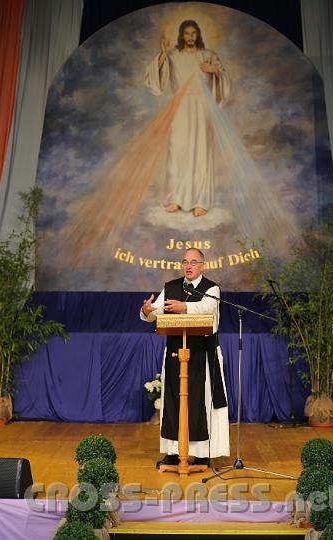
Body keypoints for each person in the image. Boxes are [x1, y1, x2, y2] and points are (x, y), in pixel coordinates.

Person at [140, 248, 230, 467]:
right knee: (173, 400)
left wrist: (184, 307)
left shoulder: (212, 289)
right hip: (175, 354)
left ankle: (201, 454)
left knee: (202, 400)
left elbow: (207, 309)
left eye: (193, 262)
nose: (188, 266)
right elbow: (155, 313)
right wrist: (147, 310)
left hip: (203, 354)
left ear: (202, 265)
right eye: (185, 262)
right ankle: (172, 452)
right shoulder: (171, 287)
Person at [145, 20, 230, 217]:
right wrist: (163, 53)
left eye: (193, 33)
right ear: (181, 36)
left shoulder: (208, 55)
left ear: (198, 34)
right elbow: (154, 78)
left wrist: (215, 71)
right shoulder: (173, 55)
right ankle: (175, 198)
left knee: (200, 153)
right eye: (186, 33)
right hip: (180, 107)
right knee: (177, 151)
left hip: (202, 107)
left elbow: (223, 78)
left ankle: (200, 200)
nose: (190, 37)